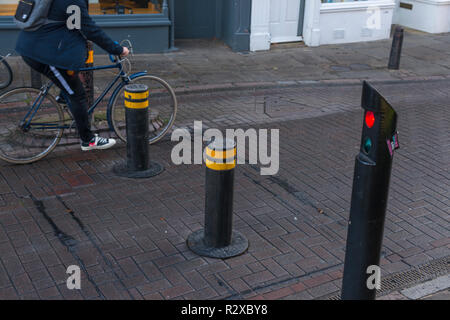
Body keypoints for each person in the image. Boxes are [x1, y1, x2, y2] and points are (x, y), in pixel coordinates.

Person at [15, 0, 129, 151]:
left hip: (39, 47)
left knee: (69, 82)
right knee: (77, 95)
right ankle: (88, 140)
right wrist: (117, 49)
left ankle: (63, 97)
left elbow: (72, 24)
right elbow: (89, 29)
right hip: (45, 54)